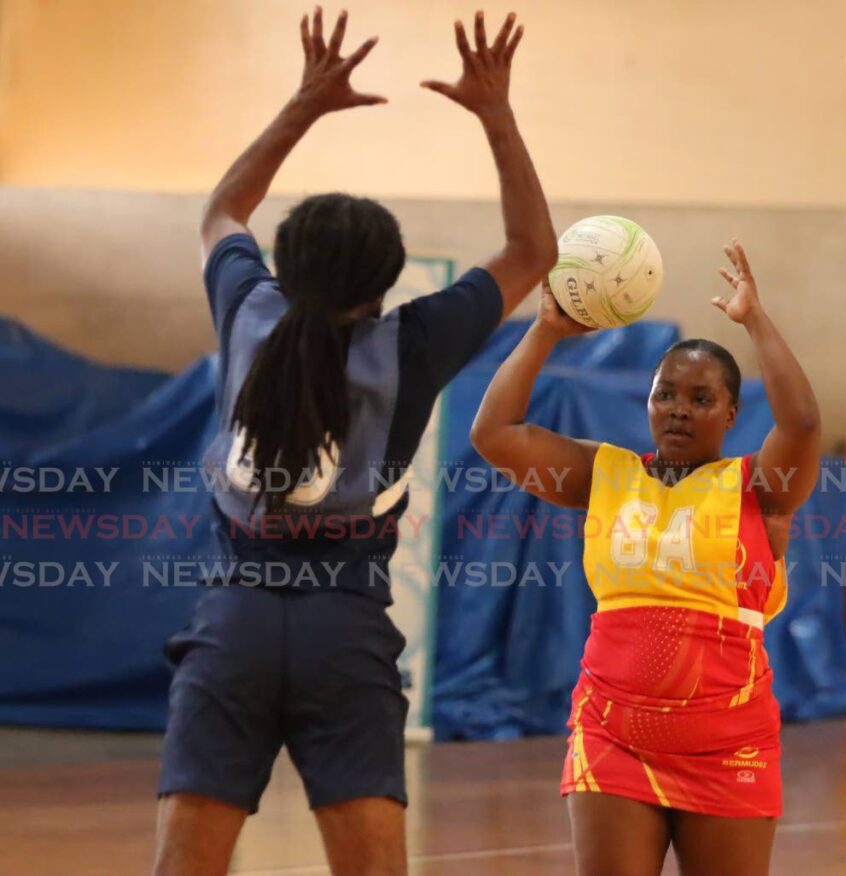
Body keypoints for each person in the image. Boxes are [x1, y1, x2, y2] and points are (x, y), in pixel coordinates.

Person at [151, 8, 556, 876]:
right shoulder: (413, 343)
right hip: (347, 634)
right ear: (386, 280)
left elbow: (224, 207)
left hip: (232, 625)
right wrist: (497, 115)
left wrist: (304, 104)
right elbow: (533, 248)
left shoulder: (245, 311)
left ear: (285, 270)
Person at [470, 240, 821, 876]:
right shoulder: (603, 473)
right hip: (612, 730)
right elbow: (493, 435)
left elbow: (800, 423)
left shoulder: (761, 491)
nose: (679, 409)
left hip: (728, 741)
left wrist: (754, 320)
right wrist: (548, 329)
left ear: (732, 413)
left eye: (701, 398)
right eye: (666, 394)